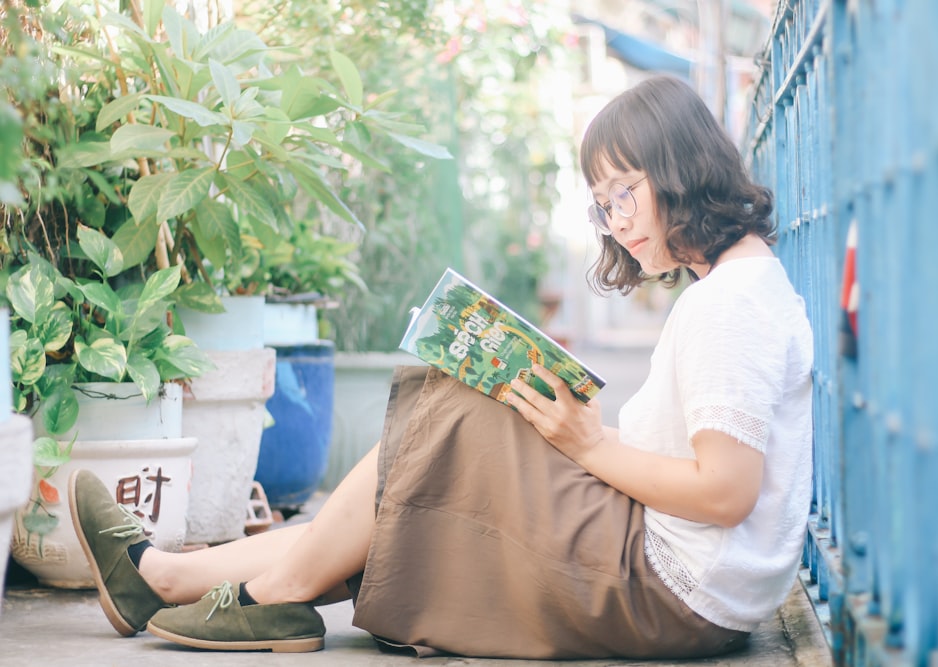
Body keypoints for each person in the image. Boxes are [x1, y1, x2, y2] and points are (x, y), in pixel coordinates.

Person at [68, 74, 813, 659]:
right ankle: (162, 576)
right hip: (672, 572)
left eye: (626, 191)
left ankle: (270, 593)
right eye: (601, 203)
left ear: (679, 169)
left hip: (669, 590)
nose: (616, 220)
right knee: (433, 448)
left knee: (448, 406)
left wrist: (589, 445)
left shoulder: (731, 305)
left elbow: (724, 491)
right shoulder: (737, 287)